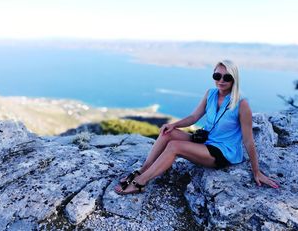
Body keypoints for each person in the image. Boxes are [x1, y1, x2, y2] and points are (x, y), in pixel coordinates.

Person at [115, 59, 279, 195]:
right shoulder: (211, 94)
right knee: (167, 134)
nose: (221, 80)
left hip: (223, 152)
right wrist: (173, 125)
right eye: (217, 75)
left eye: (226, 77)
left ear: (234, 79)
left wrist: (256, 171)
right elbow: (194, 117)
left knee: (174, 146)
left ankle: (140, 182)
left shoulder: (242, 104)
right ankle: (143, 170)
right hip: (206, 140)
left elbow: (249, 141)